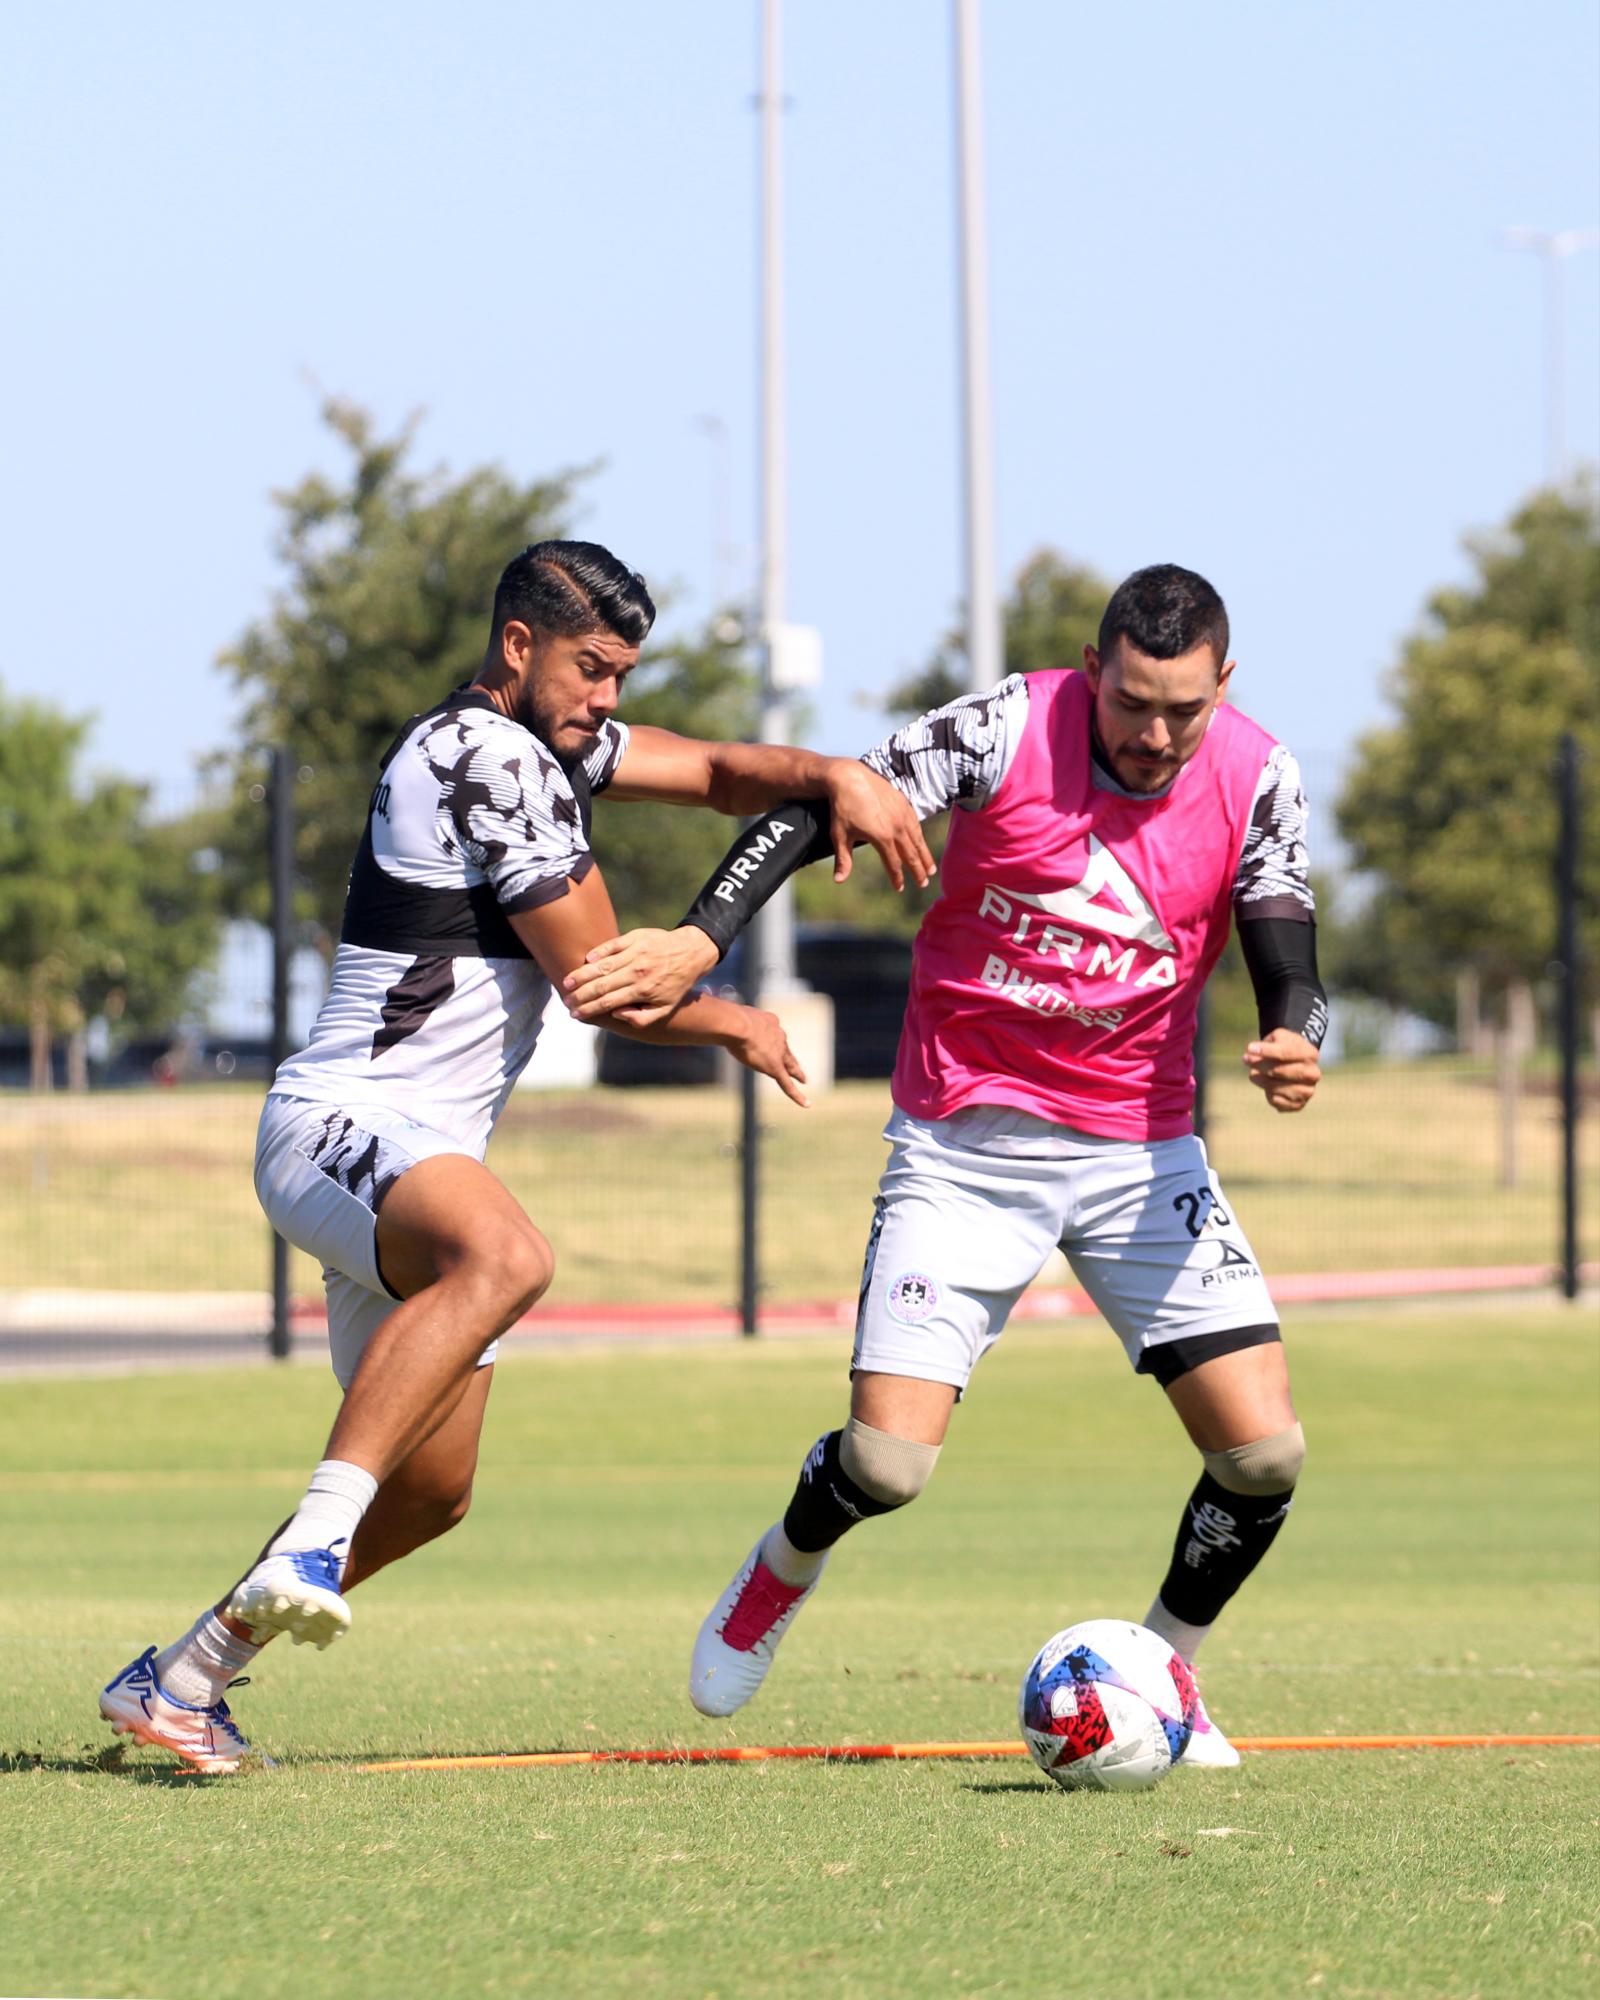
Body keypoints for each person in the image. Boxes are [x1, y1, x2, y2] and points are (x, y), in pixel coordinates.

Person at [100, 539, 933, 1774]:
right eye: (593, 669)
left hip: (409, 1154)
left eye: (620, 673)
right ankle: (311, 1542)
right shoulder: (485, 757)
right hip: (341, 1122)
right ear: (518, 643)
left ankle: (183, 1675)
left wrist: (829, 773)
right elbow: (604, 983)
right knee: (510, 1251)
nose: (607, 697)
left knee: (433, 1492)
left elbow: (710, 771)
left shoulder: (551, 744)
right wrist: (735, 1011)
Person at [566, 563, 1326, 1766]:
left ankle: (1161, 1672)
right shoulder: (1005, 726)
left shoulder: (1258, 770)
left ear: (1222, 686)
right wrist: (700, 937)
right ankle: (782, 1565)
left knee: (1262, 1455)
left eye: (1182, 707)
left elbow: (1281, 924)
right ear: (1093, 670)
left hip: (1140, 1149)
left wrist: (1298, 1029)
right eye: (1131, 701)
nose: (1153, 732)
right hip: (965, 1143)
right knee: (885, 1462)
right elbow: (825, 805)